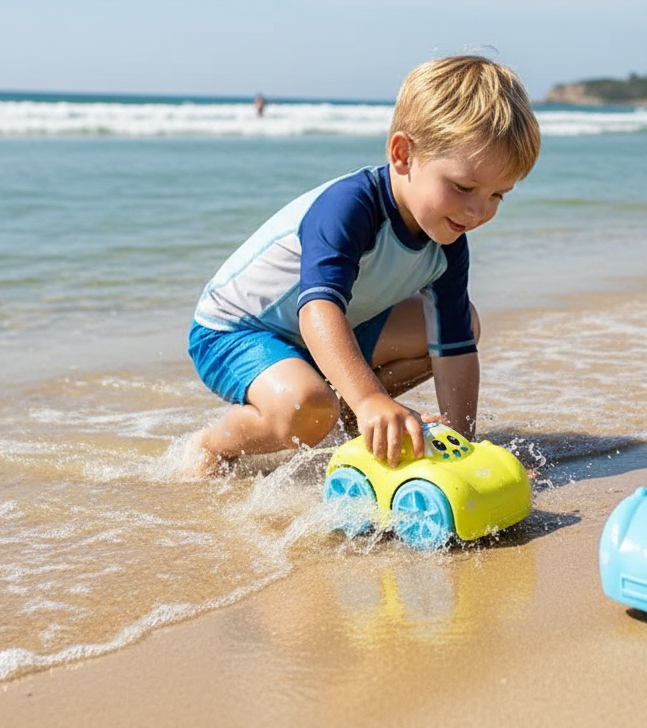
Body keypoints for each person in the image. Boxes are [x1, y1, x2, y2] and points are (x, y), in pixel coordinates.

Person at [186, 56, 541, 477]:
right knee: (307, 406)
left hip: (333, 331)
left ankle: (358, 420)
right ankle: (213, 445)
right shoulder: (350, 208)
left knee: (461, 322)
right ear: (402, 154)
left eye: (499, 195)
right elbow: (317, 310)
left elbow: (455, 348)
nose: (480, 210)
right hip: (237, 331)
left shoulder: (448, 241)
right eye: (464, 187)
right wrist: (371, 397)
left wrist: (462, 447)